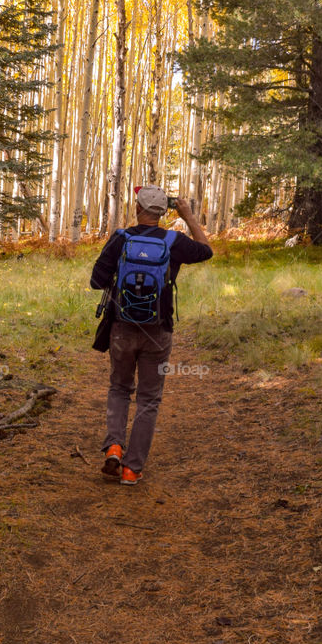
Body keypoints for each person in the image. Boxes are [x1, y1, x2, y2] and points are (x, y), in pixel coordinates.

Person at [90, 183, 213, 485]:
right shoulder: (175, 241)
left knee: (119, 388)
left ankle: (115, 447)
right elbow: (207, 250)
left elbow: (96, 281)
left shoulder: (120, 238)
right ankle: (132, 469)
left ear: (137, 209)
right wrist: (189, 216)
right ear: (162, 213)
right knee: (148, 399)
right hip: (158, 332)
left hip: (121, 328)